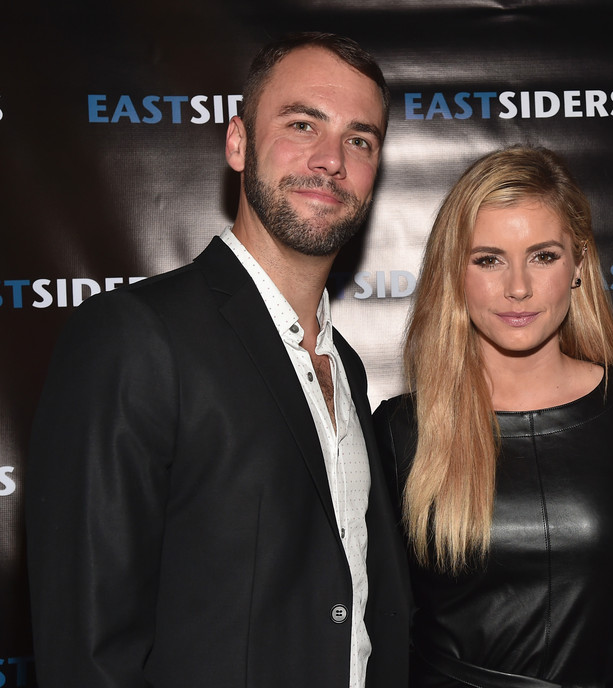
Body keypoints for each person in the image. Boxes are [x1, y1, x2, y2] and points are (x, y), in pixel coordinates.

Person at [26, 32, 410, 687]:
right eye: (301, 124)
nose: (331, 160)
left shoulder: (343, 363)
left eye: (359, 140)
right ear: (238, 142)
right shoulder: (135, 336)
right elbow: (88, 650)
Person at [373, 145, 613, 687]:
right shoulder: (401, 432)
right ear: (455, 274)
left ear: (579, 266)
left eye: (543, 256)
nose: (517, 287)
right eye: (488, 259)